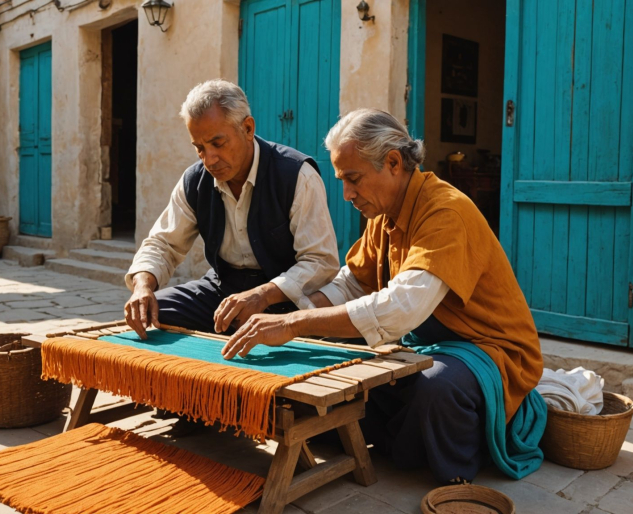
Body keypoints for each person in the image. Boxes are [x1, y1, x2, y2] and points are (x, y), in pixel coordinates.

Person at [220, 109, 544, 483]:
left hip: (491, 352)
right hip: (425, 345)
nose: (347, 194)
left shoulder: (446, 211)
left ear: (392, 162)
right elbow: (350, 284)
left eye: (353, 179)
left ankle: (453, 462)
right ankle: (403, 440)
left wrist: (293, 324)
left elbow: (401, 308)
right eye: (342, 180)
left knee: (435, 388)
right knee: (330, 377)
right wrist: (291, 319)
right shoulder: (383, 216)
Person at [123, 79, 340, 340]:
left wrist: (262, 295)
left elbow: (320, 261)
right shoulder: (195, 180)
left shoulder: (296, 175)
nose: (209, 159)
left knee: (315, 330)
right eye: (199, 148)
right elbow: (163, 244)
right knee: (155, 312)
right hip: (223, 291)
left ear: (248, 128)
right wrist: (142, 286)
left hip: (283, 297)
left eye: (218, 143)